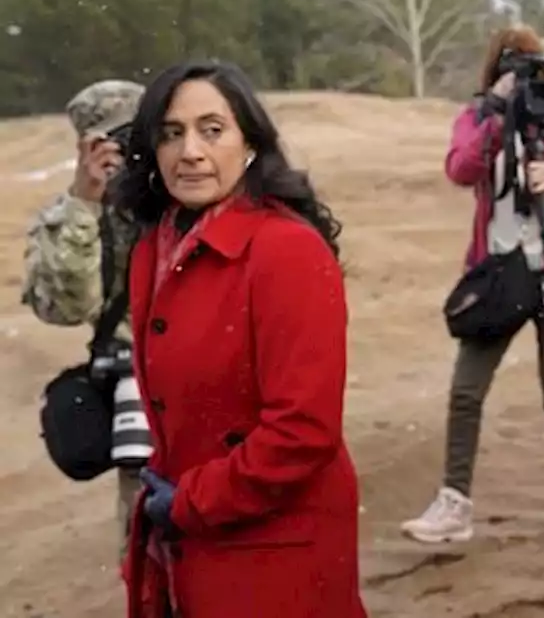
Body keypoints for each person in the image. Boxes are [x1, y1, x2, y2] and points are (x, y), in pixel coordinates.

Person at [114, 61, 366, 618]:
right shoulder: (154, 251)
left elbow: (303, 430)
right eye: (171, 133)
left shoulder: (286, 251)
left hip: (275, 550)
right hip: (189, 542)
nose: (191, 152)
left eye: (212, 129)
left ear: (249, 142)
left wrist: (191, 502)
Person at [399, 25, 544, 546]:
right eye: (508, 67)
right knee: (467, 389)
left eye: (527, 67)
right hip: (498, 273)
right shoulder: (477, 121)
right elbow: (460, 168)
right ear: (493, 72)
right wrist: (495, 118)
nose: (518, 78)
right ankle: (454, 504)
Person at [21, 79, 149, 555]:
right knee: (150, 557)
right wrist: (85, 200)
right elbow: (65, 307)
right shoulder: (80, 214)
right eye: (117, 140)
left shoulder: (192, 182)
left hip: (215, 399)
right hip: (141, 409)